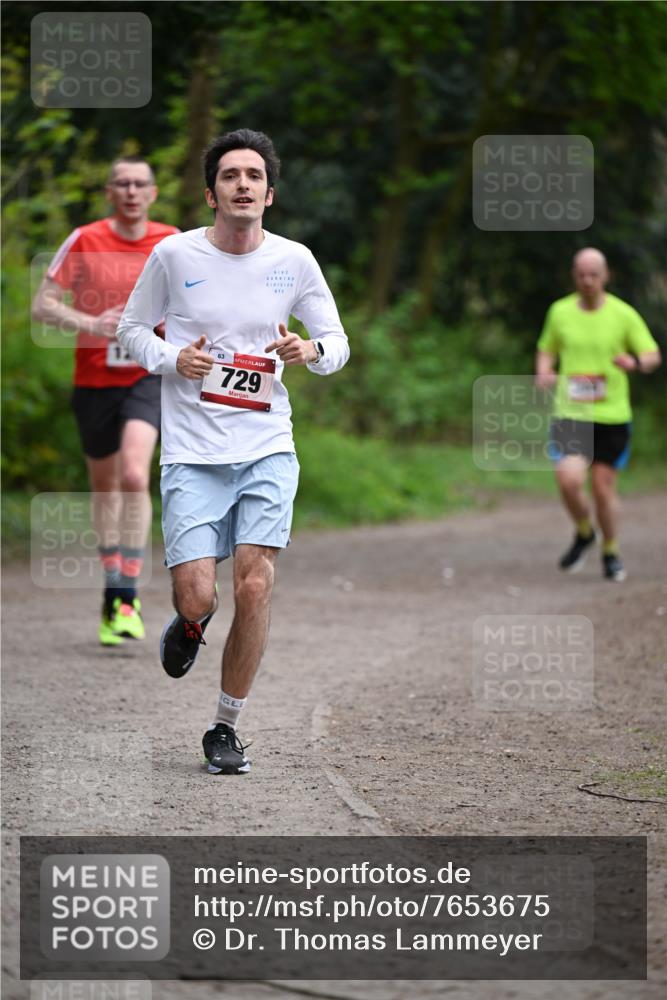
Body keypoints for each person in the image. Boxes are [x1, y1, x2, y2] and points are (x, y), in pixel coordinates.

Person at [116, 129, 349, 774]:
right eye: (229, 175)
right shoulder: (173, 255)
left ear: (269, 195)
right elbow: (131, 328)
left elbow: (336, 342)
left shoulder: (295, 261)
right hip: (192, 450)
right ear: (211, 192)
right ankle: (189, 625)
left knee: (254, 583)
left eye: (253, 176)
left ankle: (225, 726)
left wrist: (312, 351)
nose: (242, 184)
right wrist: (172, 357)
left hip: (267, 443)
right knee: (197, 594)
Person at [32, 157, 178, 645]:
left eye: (140, 184)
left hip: (147, 375)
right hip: (94, 380)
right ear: (109, 191)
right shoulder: (85, 239)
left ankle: (126, 593)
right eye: (122, 183)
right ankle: (114, 588)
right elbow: (43, 304)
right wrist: (90, 323)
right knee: (106, 489)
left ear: (153, 193)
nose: (132, 191)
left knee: (135, 475)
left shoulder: (172, 240)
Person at [535, 247, 661, 582]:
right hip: (571, 412)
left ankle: (611, 550)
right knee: (568, 480)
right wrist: (544, 371)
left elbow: (652, 355)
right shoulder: (559, 312)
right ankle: (584, 531)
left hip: (612, 415)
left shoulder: (624, 315)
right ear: (573, 276)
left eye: (594, 275)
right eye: (581, 275)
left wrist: (634, 363)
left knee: (603, 490)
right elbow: (546, 349)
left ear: (606, 276)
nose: (587, 281)